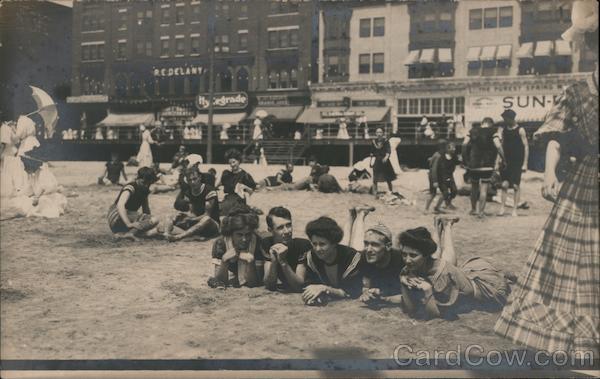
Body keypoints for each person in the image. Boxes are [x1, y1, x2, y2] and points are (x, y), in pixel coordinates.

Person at [495, 0, 599, 355]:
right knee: (572, 259)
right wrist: (550, 174)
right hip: (585, 184)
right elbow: (555, 136)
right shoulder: (577, 92)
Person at [399, 217, 514, 319]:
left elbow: (434, 314)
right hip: (461, 276)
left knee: (446, 267)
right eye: (404, 254)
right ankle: (446, 225)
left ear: (424, 255)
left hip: (487, 292)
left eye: (413, 255)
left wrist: (428, 289)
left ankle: (446, 225)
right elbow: (410, 308)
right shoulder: (414, 265)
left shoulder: (442, 277)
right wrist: (402, 282)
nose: (407, 260)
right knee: (444, 263)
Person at [340, 206, 405, 307]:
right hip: (359, 256)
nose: (369, 249)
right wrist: (365, 291)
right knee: (349, 249)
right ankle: (355, 215)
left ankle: (360, 214)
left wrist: (382, 295)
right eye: (366, 243)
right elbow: (352, 283)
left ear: (388, 246)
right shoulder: (363, 256)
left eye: (375, 244)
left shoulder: (401, 260)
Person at [302, 216, 363, 306]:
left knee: (357, 244)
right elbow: (311, 285)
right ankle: (351, 215)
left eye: (322, 244)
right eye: (314, 244)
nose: (317, 249)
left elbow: (352, 292)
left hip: (356, 255)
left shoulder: (352, 257)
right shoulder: (311, 256)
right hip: (339, 254)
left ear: (334, 243)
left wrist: (325, 289)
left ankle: (361, 215)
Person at [208, 207, 265, 288]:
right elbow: (220, 283)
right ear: (231, 233)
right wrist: (224, 261)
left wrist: (251, 263)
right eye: (239, 235)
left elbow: (254, 284)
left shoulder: (257, 242)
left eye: (248, 234)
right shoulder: (220, 243)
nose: (244, 239)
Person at [164, 164, 220, 242]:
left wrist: (191, 219)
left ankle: (178, 237)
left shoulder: (209, 191)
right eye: (190, 180)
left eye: (194, 179)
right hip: (196, 222)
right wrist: (184, 216)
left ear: (200, 178)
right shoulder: (188, 192)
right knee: (170, 216)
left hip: (211, 225)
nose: (193, 182)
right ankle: (167, 234)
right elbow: (192, 212)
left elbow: (207, 215)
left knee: (206, 219)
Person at [462, 117, 505, 218]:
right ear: (490, 124)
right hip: (487, 164)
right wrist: (503, 159)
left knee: (474, 187)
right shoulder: (493, 131)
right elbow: (498, 146)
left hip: (474, 164)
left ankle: (473, 209)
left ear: (482, 123)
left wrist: (465, 159)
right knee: (484, 189)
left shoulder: (472, 131)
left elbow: (464, 144)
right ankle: (481, 212)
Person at [262, 207, 312, 292]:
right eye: (280, 228)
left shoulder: (303, 245)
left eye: (289, 225)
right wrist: (274, 261)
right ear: (270, 230)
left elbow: (298, 286)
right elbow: (269, 285)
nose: (287, 231)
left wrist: (283, 262)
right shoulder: (267, 243)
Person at [7, 148, 68, 219]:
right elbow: (29, 189)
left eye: (26, 167)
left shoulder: (43, 173)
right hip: (38, 198)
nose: (24, 169)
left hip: (51, 197)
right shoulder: (33, 176)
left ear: (31, 166)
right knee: (23, 200)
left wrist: (38, 197)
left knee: (43, 201)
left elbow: (50, 188)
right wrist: (18, 194)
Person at [107, 166, 160, 240]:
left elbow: (146, 210)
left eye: (148, 183)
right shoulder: (131, 187)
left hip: (123, 219)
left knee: (152, 230)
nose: (146, 185)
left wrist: (148, 224)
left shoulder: (144, 190)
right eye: (144, 182)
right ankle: (130, 233)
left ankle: (123, 234)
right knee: (155, 219)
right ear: (138, 178)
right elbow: (120, 205)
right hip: (117, 216)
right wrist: (128, 223)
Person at [497, 109, 529, 217]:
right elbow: (501, 145)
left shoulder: (520, 130)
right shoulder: (504, 130)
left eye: (506, 119)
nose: (504, 120)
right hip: (506, 161)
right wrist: (499, 159)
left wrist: (525, 163)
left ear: (511, 118)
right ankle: (502, 207)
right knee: (504, 185)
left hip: (517, 161)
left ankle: (514, 209)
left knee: (515, 186)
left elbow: (526, 146)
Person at [219, 148, 257, 216]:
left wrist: (245, 187)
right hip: (228, 198)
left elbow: (251, 191)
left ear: (239, 161)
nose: (232, 165)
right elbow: (219, 184)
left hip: (239, 199)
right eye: (230, 163)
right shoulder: (226, 173)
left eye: (234, 162)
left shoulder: (244, 175)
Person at [426, 140, 459, 213]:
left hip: (443, 176)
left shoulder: (450, 156)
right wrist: (435, 181)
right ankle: (426, 209)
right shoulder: (439, 155)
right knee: (433, 193)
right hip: (434, 176)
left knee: (448, 192)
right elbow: (434, 169)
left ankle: (439, 206)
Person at [370, 127, 396, 197]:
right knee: (375, 177)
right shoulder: (374, 142)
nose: (379, 134)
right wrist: (372, 155)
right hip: (377, 160)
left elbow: (388, 151)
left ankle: (390, 190)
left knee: (388, 177)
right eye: (377, 132)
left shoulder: (386, 141)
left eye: (380, 132)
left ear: (383, 133)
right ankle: (375, 191)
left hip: (385, 161)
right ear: (375, 133)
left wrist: (386, 157)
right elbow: (372, 151)